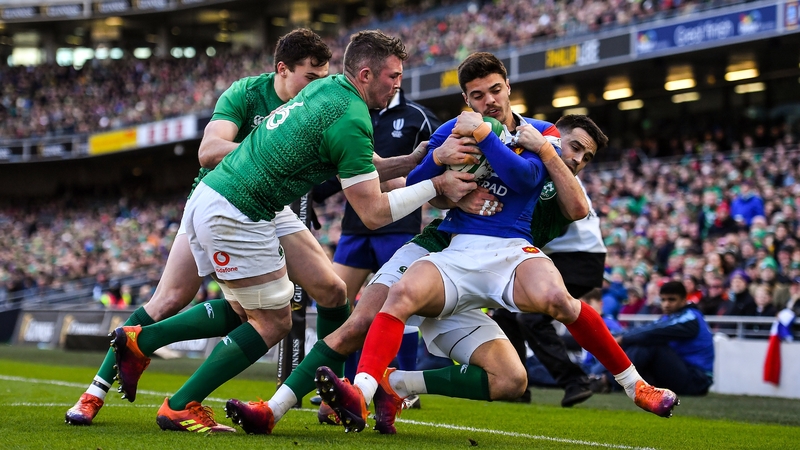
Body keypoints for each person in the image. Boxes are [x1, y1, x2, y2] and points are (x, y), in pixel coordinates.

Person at [229, 53, 677, 437]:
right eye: (478, 96)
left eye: (496, 91)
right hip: (445, 246)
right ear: (467, 99)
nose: (489, 101)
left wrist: (499, 141)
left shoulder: (544, 139)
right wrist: (439, 168)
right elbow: (426, 186)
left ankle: (395, 384)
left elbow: (552, 193)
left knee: (516, 373)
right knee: (360, 319)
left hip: (505, 254)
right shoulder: (455, 130)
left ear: (508, 87)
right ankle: (283, 407)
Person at [108, 30, 477, 434]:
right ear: (367, 74)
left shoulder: (331, 89)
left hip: (222, 194)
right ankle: (178, 402)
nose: (398, 84)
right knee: (272, 322)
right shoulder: (352, 117)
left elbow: (355, 161)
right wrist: (436, 186)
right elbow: (372, 212)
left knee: (329, 291)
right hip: (240, 210)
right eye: (393, 76)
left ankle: (326, 397)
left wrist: (412, 160)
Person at [65, 28, 338, 426]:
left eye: (323, 80)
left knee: (331, 288)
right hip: (220, 202)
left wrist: (420, 171)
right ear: (282, 69)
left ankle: (333, 393)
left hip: (271, 208)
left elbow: (355, 162)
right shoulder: (246, 94)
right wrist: (273, 155)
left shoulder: (314, 107)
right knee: (168, 301)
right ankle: (93, 394)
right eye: (309, 78)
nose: (316, 88)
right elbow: (208, 151)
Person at [312, 88, 442, 416]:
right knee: (333, 300)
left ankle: (406, 387)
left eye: (397, 74)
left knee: (403, 302)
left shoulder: (420, 116)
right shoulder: (358, 114)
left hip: (398, 224)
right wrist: (314, 194)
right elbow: (339, 166)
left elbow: (439, 164)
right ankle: (339, 382)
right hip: (355, 226)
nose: (393, 81)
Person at [590, 281, 714, 397]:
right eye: (663, 300)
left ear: (683, 300)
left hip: (697, 380)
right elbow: (647, 329)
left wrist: (623, 338)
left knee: (651, 344)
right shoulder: (669, 318)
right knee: (638, 341)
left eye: (672, 300)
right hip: (679, 372)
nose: (666, 304)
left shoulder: (690, 318)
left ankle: (607, 381)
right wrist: (622, 337)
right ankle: (596, 377)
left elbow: (652, 332)